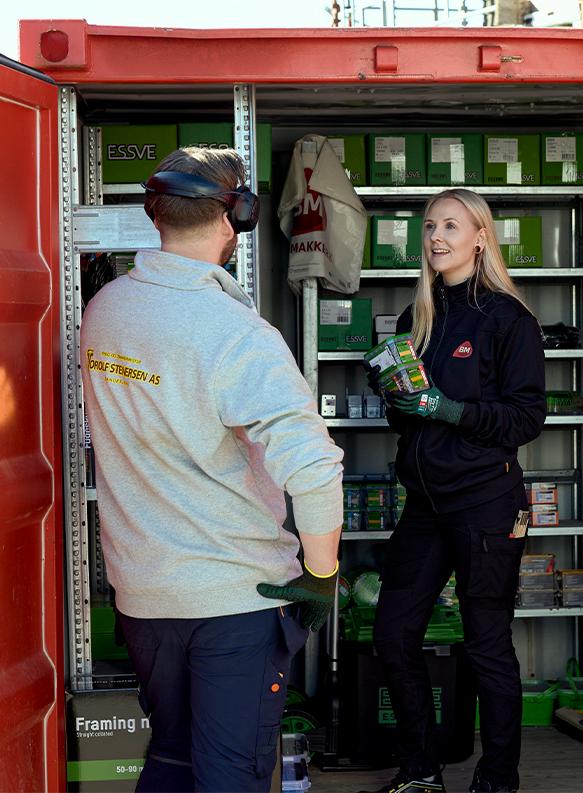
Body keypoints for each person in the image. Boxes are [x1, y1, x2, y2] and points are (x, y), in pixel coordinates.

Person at [81, 146, 344, 793]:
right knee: (231, 775)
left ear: (155, 213)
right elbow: (313, 469)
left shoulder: (104, 312)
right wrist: (320, 576)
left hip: (144, 596)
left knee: (171, 756)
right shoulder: (234, 332)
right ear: (235, 219)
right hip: (235, 600)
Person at [364, 189, 547, 793]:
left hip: (486, 503)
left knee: (486, 645)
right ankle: (419, 771)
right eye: (429, 227)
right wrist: (398, 398)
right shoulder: (415, 319)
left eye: (450, 225)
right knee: (393, 634)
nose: (436, 237)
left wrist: (447, 409)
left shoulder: (507, 319)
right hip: (426, 505)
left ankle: (498, 780)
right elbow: (408, 422)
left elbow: (525, 419)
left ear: (480, 237)